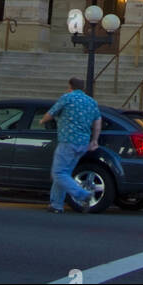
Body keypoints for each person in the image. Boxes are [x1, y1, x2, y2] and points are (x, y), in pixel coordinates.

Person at [40, 76, 102, 215]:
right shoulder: (91, 102)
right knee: (64, 174)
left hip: (68, 141)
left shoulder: (67, 98)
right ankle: (56, 204)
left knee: (58, 173)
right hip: (83, 143)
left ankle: (83, 195)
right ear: (83, 88)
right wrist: (95, 140)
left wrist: (42, 120)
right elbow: (97, 122)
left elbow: (50, 114)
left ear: (70, 86)